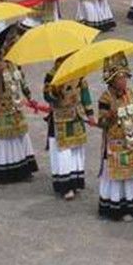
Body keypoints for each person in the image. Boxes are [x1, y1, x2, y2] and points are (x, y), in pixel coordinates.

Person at [97, 53, 133, 221]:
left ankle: (130, 207)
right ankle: (115, 208)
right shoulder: (105, 98)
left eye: (125, 77)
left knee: (130, 175)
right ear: (112, 80)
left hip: (131, 142)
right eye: (120, 78)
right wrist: (110, 116)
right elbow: (101, 123)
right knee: (116, 177)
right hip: (115, 144)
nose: (124, 81)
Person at [0, 29, 38, 184]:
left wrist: (30, 98)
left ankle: (23, 169)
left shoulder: (14, 62)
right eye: (12, 43)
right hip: (2, 108)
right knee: (5, 139)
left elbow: (22, 81)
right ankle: (3, 172)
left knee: (20, 136)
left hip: (16, 106)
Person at [43, 56, 93, 199]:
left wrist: (90, 113)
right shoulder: (52, 74)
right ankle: (65, 185)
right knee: (63, 151)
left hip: (77, 115)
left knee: (76, 149)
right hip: (60, 117)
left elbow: (84, 92)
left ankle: (75, 181)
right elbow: (46, 96)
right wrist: (56, 90)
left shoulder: (78, 71)